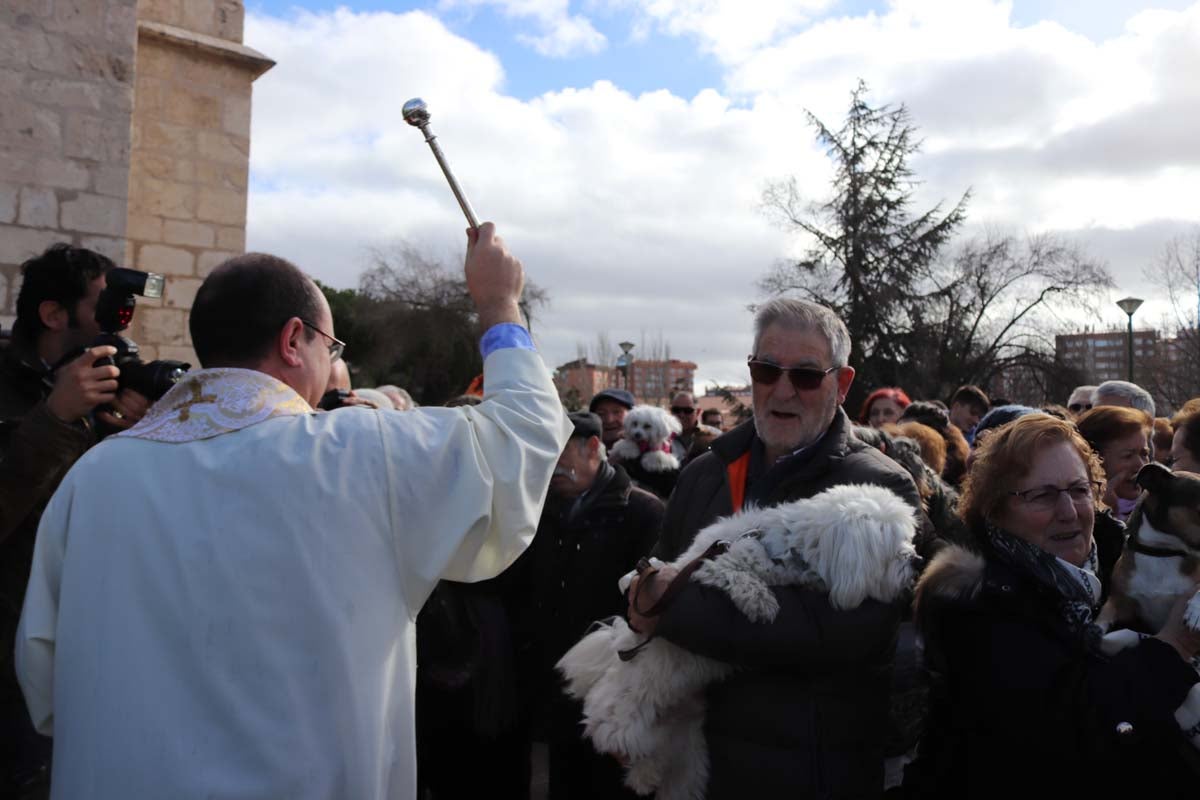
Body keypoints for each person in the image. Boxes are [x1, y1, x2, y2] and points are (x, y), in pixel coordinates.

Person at [14, 224, 572, 800]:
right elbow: (523, 439)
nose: (329, 363)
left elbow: (44, 675)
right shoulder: (360, 454)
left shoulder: (93, 477)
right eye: (330, 348)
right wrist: (500, 303)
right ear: (292, 340)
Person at [639, 297, 921, 798]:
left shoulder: (880, 493)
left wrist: (666, 606)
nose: (782, 390)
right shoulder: (706, 472)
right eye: (767, 370)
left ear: (843, 383)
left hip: (807, 775)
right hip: (692, 767)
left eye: (807, 376)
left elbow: (826, 633)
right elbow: (659, 569)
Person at [909, 413, 1199, 798]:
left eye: (1080, 490)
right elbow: (1067, 732)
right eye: (1042, 495)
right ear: (995, 509)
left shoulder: (1117, 566)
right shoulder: (975, 605)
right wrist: (1173, 648)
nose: (1069, 511)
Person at [0, 244, 150, 798]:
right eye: (104, 303)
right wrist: (56, 419)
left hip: (89, 652)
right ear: (53, 314)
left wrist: (131, 437)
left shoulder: (107, 390)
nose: (118, 318)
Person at [511, 411, 663, 800]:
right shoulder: (535, 512)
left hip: (614, 691)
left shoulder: (643, 513)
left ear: (593, 447)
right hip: (552, 686)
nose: (550, 467)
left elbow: (650, 608)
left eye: (558, 455)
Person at [1076, 405, 1152, 522]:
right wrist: (1102, 513)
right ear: (1095, 460)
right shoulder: (1071, 514)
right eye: (1128, 456)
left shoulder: (1160, 513)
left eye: (1144, 454)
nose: (1140, 465)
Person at [668, 390, 720, 464]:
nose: (681, 415)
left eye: (688, 410)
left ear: (698, 412)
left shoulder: (715, 436)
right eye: (676, 410)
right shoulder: (661, 438)